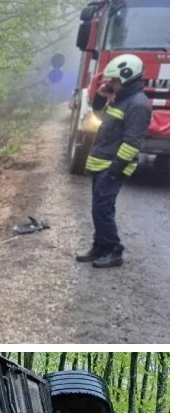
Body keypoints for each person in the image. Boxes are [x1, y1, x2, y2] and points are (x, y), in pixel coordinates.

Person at [76, 53, 152, 268]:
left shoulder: (138, 105)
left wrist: (116, 169)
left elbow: (132, 142)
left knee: (103, 208)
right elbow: (103, 120)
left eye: (114, 81)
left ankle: (113, 250)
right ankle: (99, 246)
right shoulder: (122, 100)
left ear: (127, 78)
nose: (110, 84)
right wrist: (100, 98)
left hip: (112, 166)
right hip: (103, 162)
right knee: (98, 208)